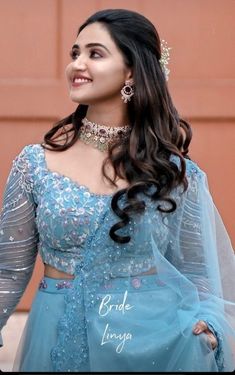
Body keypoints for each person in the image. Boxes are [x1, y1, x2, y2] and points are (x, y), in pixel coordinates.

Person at [0, 8, 235, 372]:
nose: (77, 64)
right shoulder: (34, 166)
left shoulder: (171, 172)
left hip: (153, 343)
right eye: (74, 53)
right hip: (56, 334)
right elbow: (8, 271)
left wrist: (209, 325)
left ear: (131, 71)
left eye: (95, 53)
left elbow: (199, 271)